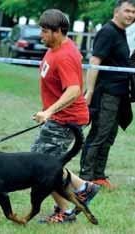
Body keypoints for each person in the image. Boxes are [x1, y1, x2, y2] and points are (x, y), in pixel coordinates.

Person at [31, 9, 100, 224]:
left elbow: (73, 90)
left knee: (42, 167)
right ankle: (83, 187)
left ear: (58, 31)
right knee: (42, 162)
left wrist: (49, 111)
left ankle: (66, 211)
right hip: (59, 116)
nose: (40, 35)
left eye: (44, 31)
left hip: (66, 119)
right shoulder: (57, 46)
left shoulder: (65, 56)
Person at [80, 0, 135, 189]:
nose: (130, 15)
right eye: (127, 11)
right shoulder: (108, 31)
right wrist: (90, 91)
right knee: (99, 135)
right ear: (116, 11)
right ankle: (86, 178)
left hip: (120, 94)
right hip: (106, 93)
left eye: (133, 12)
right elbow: (95, 61)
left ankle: (98, 175)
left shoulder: (121, 32)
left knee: (109, 136)